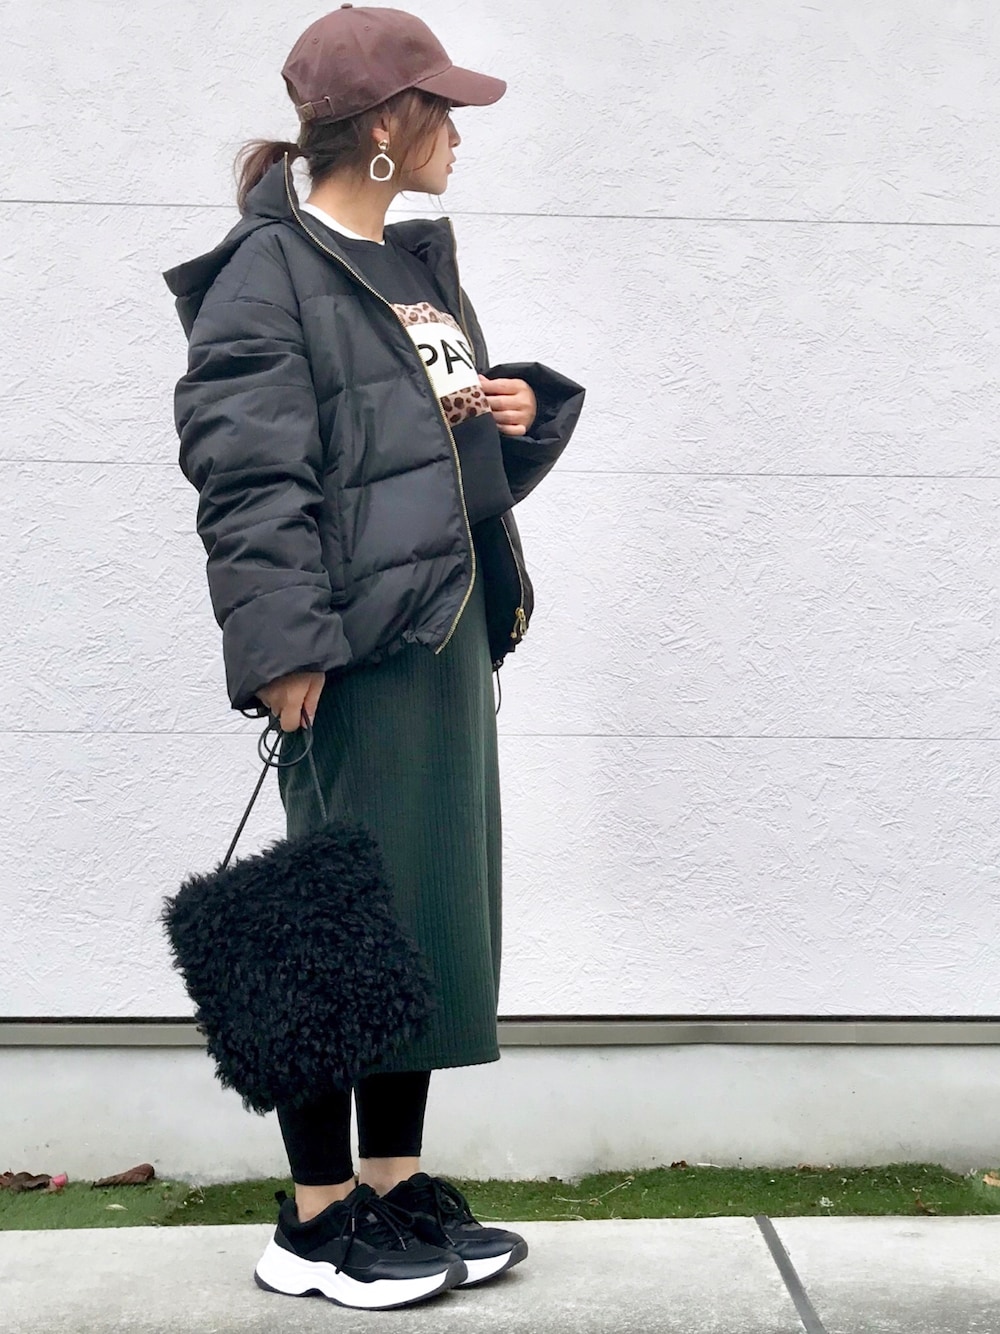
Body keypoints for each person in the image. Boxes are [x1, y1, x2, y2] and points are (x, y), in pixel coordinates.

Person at [164, 4, 585, 1312]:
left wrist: (513, 412)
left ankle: (391, 1184)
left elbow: (422, 464)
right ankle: (313, 1219)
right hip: (348, 649)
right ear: (388, 127)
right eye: (444, 110)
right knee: (335, 923)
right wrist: (282, 644)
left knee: (426, 919)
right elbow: (247, 475)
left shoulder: (411, 266)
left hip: (445, 635)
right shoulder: (269, 272)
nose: (461, 134)